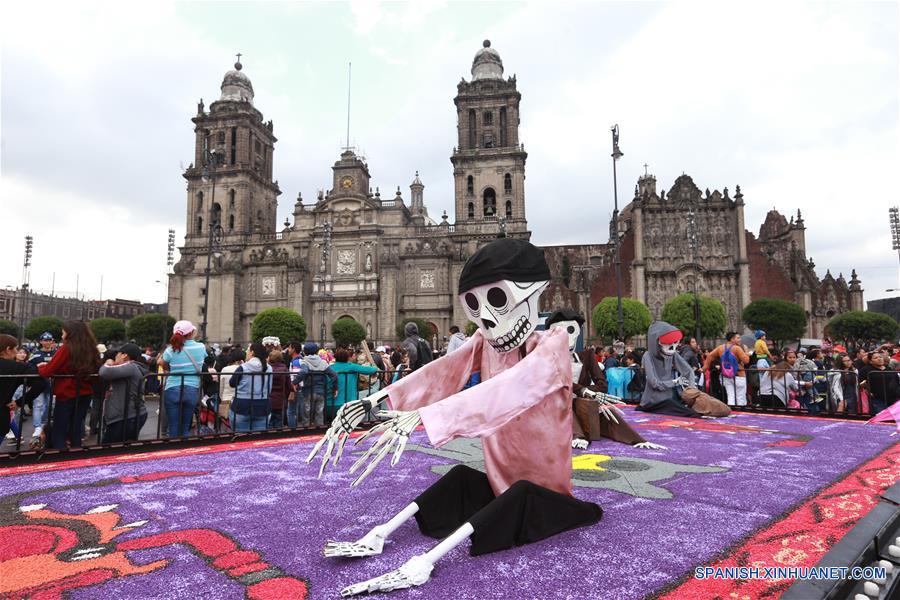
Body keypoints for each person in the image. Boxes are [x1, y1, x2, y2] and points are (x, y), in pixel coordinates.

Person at [37, 321, 102, 450]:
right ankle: (75, 455)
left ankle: (60, 457)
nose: (62, 336)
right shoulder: (92, 348)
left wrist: (40, 368)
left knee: (60, 428)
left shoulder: (67, 348)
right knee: (76, 427)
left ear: (70, 333)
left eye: (63, 332)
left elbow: (49, 370)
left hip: (67, 393)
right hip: (85, 392)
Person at [160, 320, 207, 438]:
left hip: (172, 388)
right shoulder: (201, 347)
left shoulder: (170, 350)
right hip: (192, 388)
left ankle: (173, 451)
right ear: (191, 333)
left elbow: (163, 364)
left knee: (173, 426)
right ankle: (184, 451)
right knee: (186, 426)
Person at [98, 343, 148, 443]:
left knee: (108, 451)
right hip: (129, 415)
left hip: (125, 417)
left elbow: (104, 372)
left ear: (124, 355)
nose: (115, 357)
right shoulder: (132, 367)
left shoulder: (131, 366)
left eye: (117, 354)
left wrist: (107, 362)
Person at [0, 335, 45, 444]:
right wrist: (20, 402)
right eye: (15, 349)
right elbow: (39, 383)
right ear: (8, 350)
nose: (16, 352)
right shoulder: (17, 367)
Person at [229, 342, 273, 431]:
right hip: (263, 405)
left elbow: (232, 383)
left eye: (248, 351)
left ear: (252, 352)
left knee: (241, 438)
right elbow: (269, 387)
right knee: (258, 440)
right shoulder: (269, 368)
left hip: (242, 405)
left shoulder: (243, 367)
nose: (246, 353)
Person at [294, 342, 337, 427]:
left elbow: (303, 371)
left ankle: (306, 429)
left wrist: (294, 382)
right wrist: (334, 387)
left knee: (307, 412)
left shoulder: (305, 361)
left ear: (305, 352)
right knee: (319, 412)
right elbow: (334, 375)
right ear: (317, 352)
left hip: (308, 390)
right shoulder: (323, 362)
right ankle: (318, 430)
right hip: (321, 391)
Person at [703, 332, 750, 407]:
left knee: (730, 396)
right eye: (737, 338)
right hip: (739, 375)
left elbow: (710, 356)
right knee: (740, 397)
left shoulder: (720, 348)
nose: (739, 339)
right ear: (732, 339)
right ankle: (741, 414)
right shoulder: (737, 348)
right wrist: (747, 353)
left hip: (726, 375)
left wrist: (704, 368)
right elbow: (746, 361)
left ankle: (732, 412)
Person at [27, 331, 56, 447]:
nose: (47, 342)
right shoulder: (35, 355)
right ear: (41, 341)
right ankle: (38, 427)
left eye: (49, 340)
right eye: (45, 340)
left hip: (52, 385)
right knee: (38, 405)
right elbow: (29, 368)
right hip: (39, 385)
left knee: (50, 405)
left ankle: (43, 424)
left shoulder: (56, 353)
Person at [331, 347, 379, 417]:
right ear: (347, 358)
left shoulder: (330, 368)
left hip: (331, 404)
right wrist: (374, 368)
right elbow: (371, 370)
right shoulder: (351, 366)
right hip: (348, 404)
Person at [217, 348, 243, 428]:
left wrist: (221, 397)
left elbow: (221, 386)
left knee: (225, 424)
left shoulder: (225, 369)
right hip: (239, 399)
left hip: (226, 398)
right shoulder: (244, 369)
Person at [267, 349, 292, 428]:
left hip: (269, 398)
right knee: (279, 420)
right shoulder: (284, 369)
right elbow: (288, 384)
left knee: (269, 420)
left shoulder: (267, 369)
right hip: (281, 398)